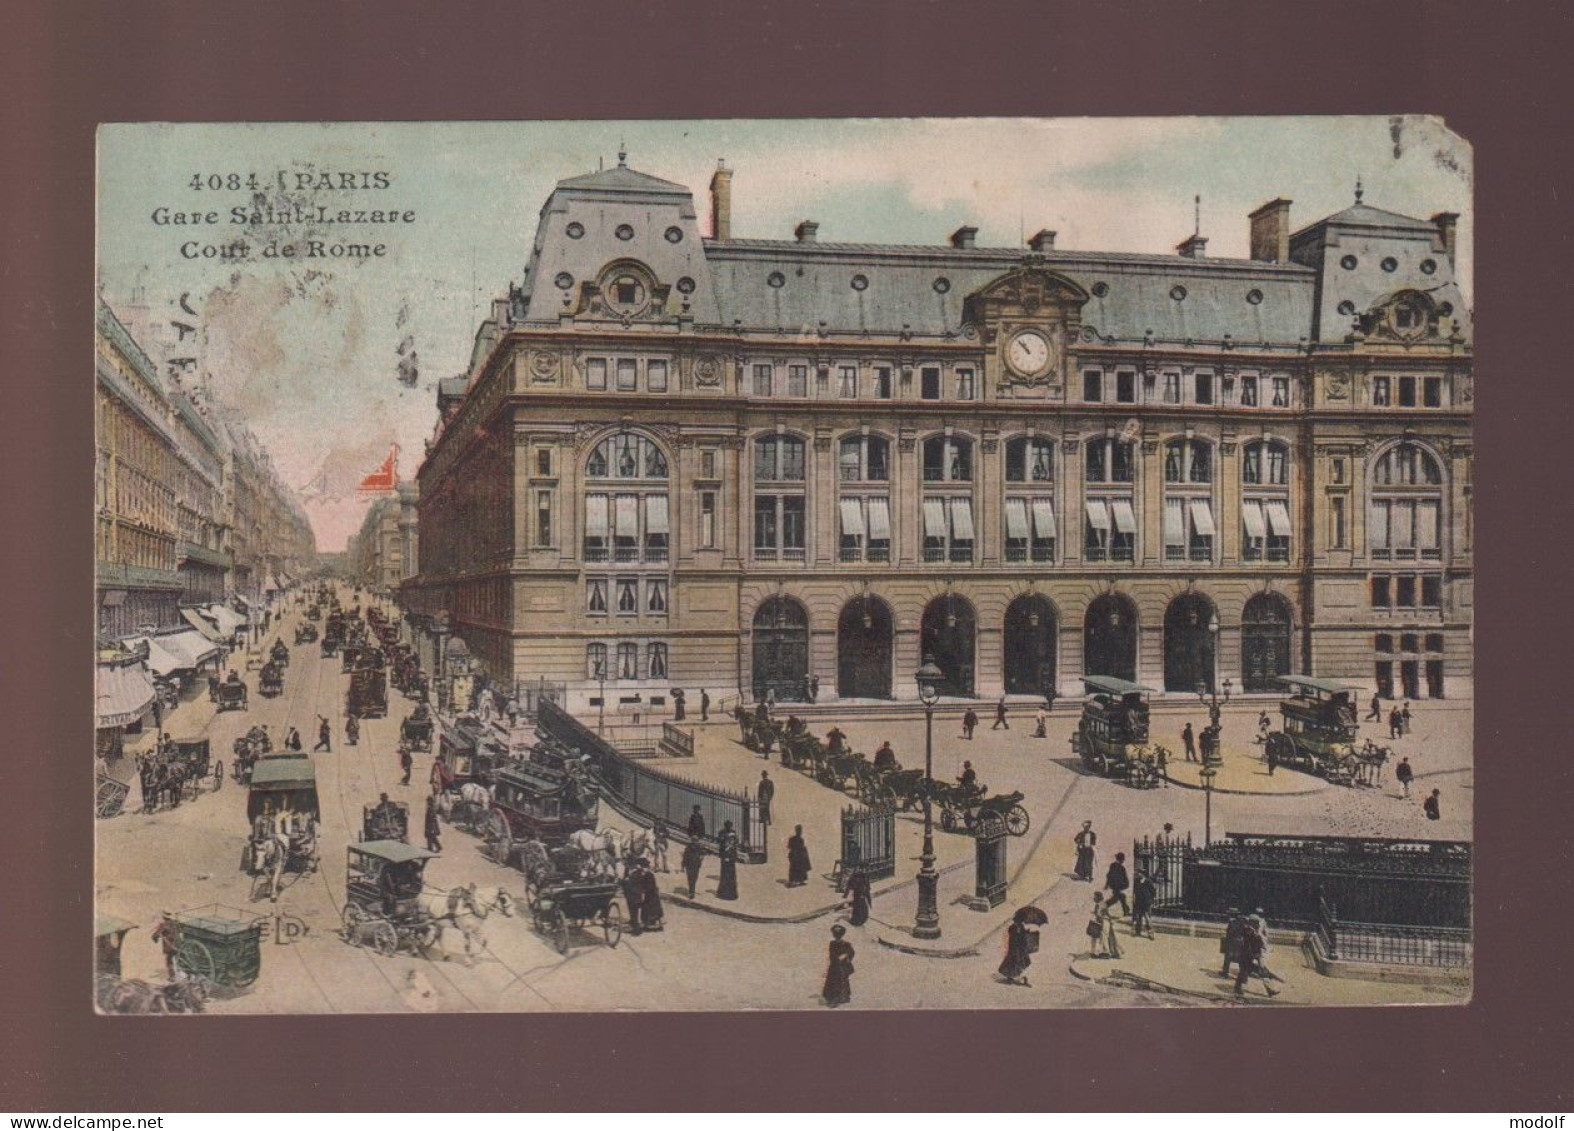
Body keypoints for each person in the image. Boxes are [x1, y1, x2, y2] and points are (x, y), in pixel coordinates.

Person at [999, 907, 1036, 986]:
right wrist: (1020, 934)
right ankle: (1016, 978)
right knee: (1016, 963)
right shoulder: (1013, 928)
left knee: (1024, 963)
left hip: (1021, 949)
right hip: (1016, 949)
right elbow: (1014, 938)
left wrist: (1026, 932)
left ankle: (1019, 978)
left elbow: (1022, 937)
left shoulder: (1020, 927)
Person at [822, 924, 854, 1007]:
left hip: (841, 967)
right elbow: (832, 955)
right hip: (835, 966)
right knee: (834, 982)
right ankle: (833, 998)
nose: (837, 937)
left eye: (838, 935)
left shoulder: (846, 944)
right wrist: (840, 958)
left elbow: (851, 952)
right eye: (836, 935)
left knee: (840, 981)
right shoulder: (832, 943)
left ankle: (840, 998)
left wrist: (845, 956)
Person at [632, 859, 663, 932]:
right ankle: (649, 923)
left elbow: (650, 886)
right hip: (650, 895)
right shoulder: (645, 874)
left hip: (651, 896)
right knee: (649, 909)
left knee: (649, 909)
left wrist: (643, 891)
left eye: (644, 868)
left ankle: (649, 924)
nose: (644, 869)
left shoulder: (649, 875)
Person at [715, 821, 740, 900]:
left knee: (727, 875)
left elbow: (735, 843)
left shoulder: (727, 833)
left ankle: (727, 894)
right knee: (727, 875)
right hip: (727, 856)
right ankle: (727, 893)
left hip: (728, 856)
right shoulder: (726, 833)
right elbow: (720, 842)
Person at [1220, 908, 1244, 978]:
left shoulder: (1231, 921)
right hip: (1240, 941)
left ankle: (1225, 973)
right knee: (1240, 958)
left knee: (1228, 957)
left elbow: (1229, 931)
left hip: (1232, 940)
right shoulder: (1242, 922)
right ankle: (1242, 975)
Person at [1132, 871, 1156, 938]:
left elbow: (1153, 892)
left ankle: (1150, 933)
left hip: (1146, 903)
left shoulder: (1148, 882)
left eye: (1140, 873)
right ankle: (1137, 932)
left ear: (1143, 874)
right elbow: (1134, 890)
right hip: (1138, 902)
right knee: (1138, 917)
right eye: (1138, 873)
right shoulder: (1136, 881)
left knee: (1147, 918)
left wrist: (1150, 900)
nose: (1138, 874)